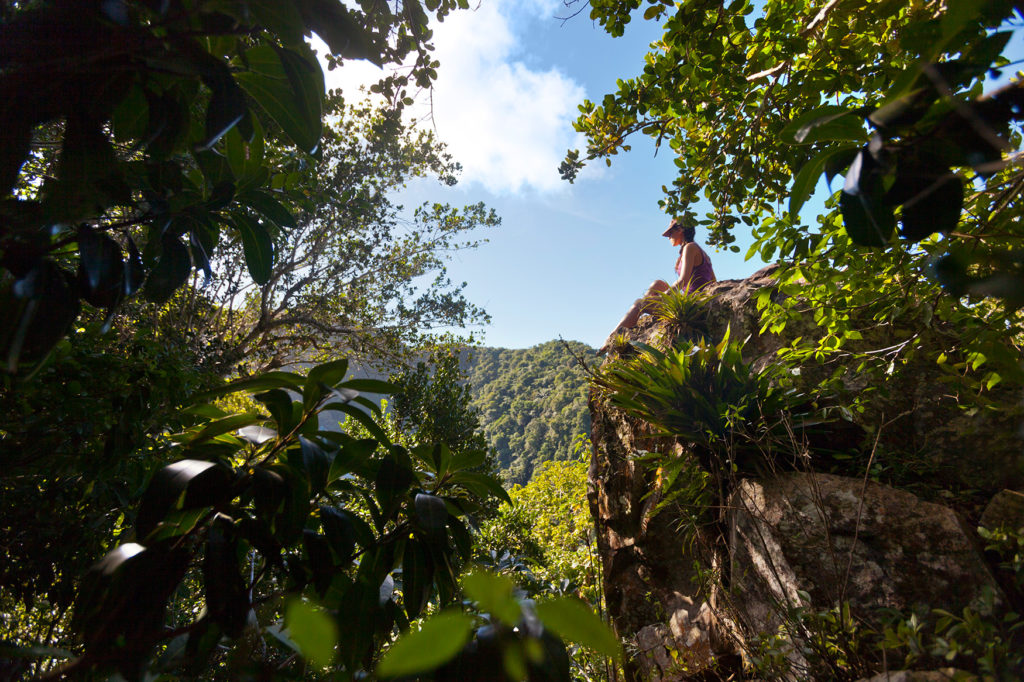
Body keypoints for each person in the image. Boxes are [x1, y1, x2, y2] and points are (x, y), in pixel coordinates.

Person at [601, 217, 716, 350]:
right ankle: (638, 322)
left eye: (670, 233)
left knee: (640, 303)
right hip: (692, 298)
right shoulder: (700, 252)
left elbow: (683, 280)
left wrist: (665, 296)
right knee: (657, 284)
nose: (668, 237)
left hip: (691, 305)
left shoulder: (690, 248)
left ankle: (611, 339)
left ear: (680, 230)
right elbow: (713, 282)